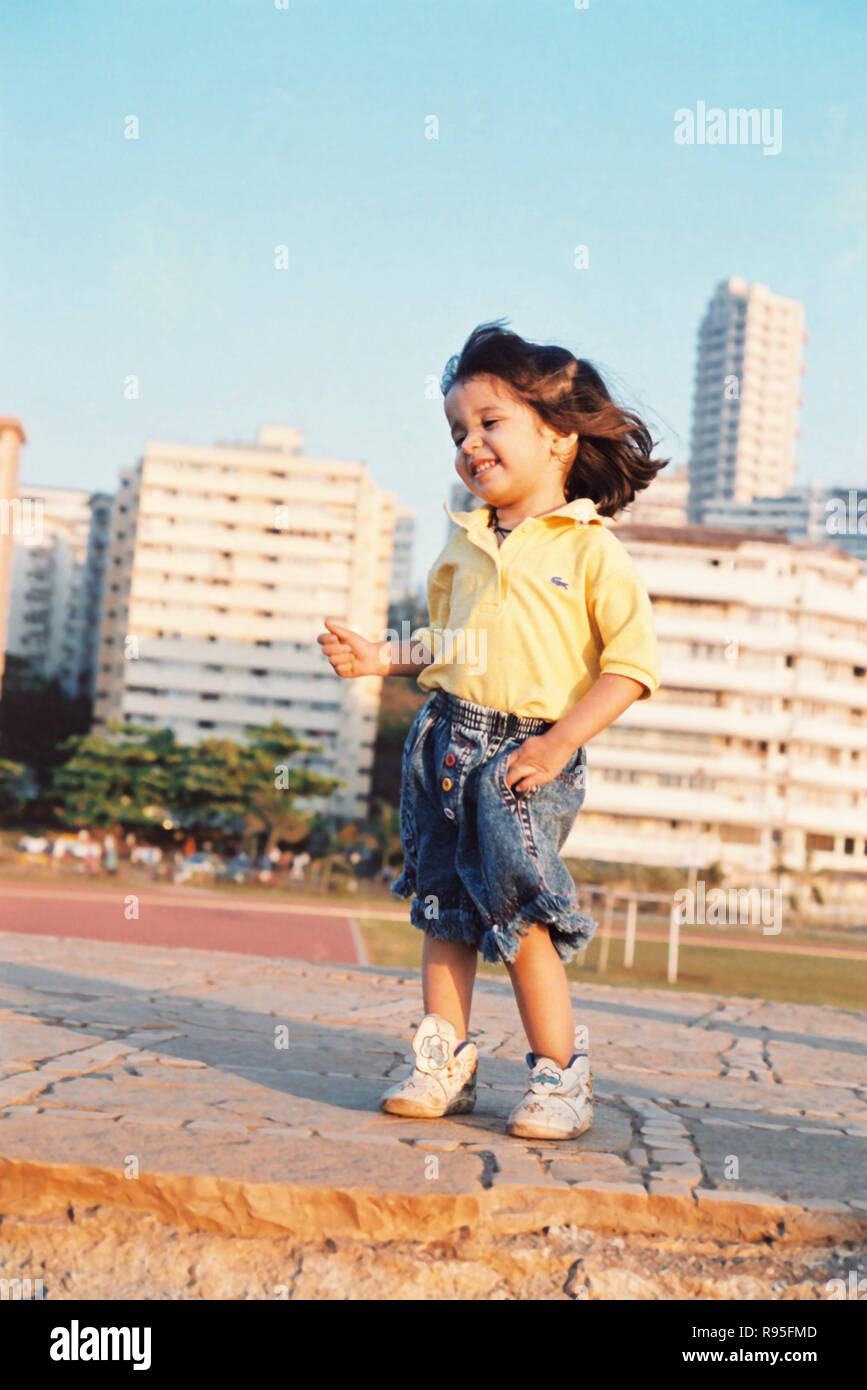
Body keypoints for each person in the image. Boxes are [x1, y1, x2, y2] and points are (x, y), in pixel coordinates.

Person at [316, 321, 663, 1140]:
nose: (469, 444)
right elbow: (449, 645)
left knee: (519, 913)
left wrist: (556, 743)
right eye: (456, 432)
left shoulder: (589, 553)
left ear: (557, 438)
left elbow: (630, 668)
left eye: (489, 423)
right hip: (442, 742)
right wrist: (381, 657)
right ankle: (445, 1061)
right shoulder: (462, 547)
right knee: (443, 911)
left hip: (524, 759)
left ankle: (557, 1076)